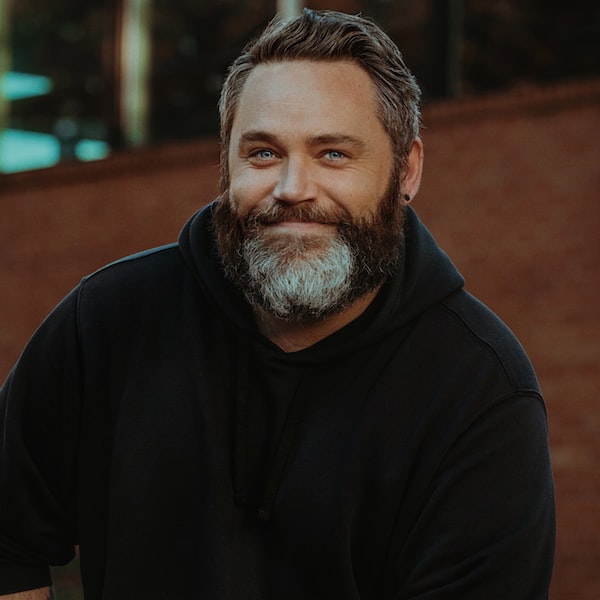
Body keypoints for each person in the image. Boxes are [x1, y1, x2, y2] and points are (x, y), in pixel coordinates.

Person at [0, 9, 555, 600]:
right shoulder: (109, 322)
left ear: (406, 171)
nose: (293, 189)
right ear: (226, 164)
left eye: (333, 153)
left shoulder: (479, 389)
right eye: (263, 153)